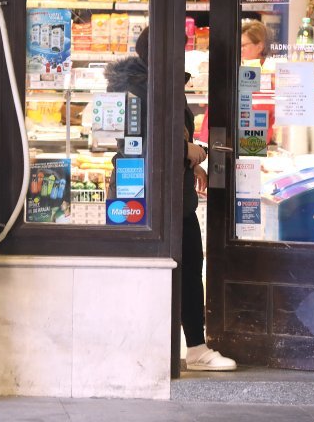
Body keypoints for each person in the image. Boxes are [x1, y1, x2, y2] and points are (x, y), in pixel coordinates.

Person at [104, 27, 236, 372]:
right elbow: (137, 142)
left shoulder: (165, 82)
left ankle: (195, 347)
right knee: (149, 270)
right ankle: (144, 348)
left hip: (175, 191)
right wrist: (187, 151)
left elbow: (173, 134)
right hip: (141, 194)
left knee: (191, 265)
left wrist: (191, 162)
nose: (184, 52)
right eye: (180, 46)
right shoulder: (133, 87)